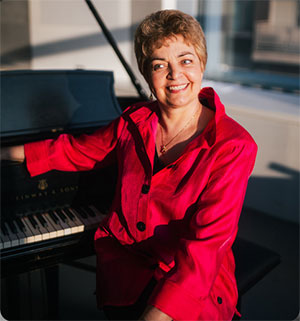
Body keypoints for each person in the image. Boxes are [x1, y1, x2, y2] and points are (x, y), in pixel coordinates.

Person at [2, 9, 257, 321]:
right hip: (126, 276)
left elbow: (205, 249)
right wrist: (6, 153)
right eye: (159, 64)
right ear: (147, 74)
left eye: (185, 60)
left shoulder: (233, 146)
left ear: (202, 63)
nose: (175, 74)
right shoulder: (132, 122)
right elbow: (75, 150)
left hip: (189, 286)